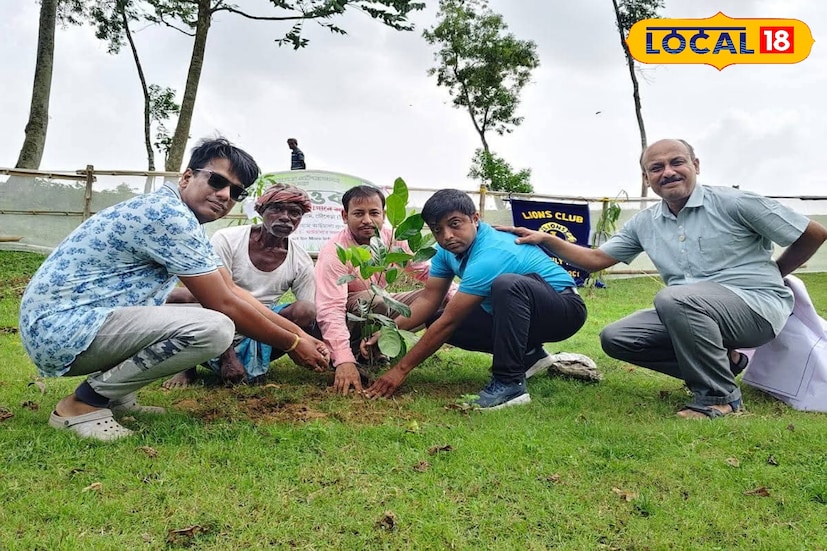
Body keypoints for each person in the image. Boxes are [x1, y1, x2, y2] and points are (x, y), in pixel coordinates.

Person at [19, 137, 329, 441]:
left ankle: (117, 396)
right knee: (215, 327)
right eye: (217, 181)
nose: (225, 195)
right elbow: (223, 303)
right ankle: (82, 405)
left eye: (236, 191)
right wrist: (292, 343)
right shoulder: (169, 217)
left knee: (201, 315)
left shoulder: (181, 217)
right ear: (187, 177)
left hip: (72, 324)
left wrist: (300, 335)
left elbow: (231, 289)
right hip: (62, 330)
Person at [497, 138, 827, 419]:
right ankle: (726, 363)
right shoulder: (646, 222)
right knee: (618, 337)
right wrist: (547, 240)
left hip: (755, 308)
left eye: (676, 162)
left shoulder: (735, 203)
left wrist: (775, 273)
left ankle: (720, 398)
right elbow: (597, 259)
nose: (667, 172)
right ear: (647, 177)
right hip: (689, 310)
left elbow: (812, 233)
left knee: (674, 298)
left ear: (696, 165)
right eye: (656, 168)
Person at [365, 189, 588, 409]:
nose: (447, 236)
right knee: (435, 318)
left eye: (455, 224)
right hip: (525, 314)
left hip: (564, 312)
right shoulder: (445, 252)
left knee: (507, 285)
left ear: (475, 218)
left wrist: (400, 370)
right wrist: (389, 331)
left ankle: (509, 384)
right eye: (437, 230)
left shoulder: (491, 252)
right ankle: (530, 355)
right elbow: (429, 299)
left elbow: (450, 321)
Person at [163, 183, 317, 387]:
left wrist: (324, 351)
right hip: (216, 316)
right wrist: (228, 357)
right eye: (277, 209)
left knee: (306, 310)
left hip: (262, 327)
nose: (285, 217)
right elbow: (215, 299)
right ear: (261, 210)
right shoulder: (228, 239)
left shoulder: (301, 260)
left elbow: (311, 316)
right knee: (175, 298)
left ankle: (254, 361)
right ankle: (187, 367)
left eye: (295, 213)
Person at [315, 185, 432, 395]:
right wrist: (343, 359)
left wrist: (459, 294)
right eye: (359, 213)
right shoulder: (335, 251)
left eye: (374, 213)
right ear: (344, 216)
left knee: (437, 297)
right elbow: (330, 308)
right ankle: (355, 352)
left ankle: (378, 347)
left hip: (381, 306)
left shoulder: (393, 239)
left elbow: (424, 272)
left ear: (384, 215)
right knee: (375, 299)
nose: (367, 220)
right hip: (351, 317)